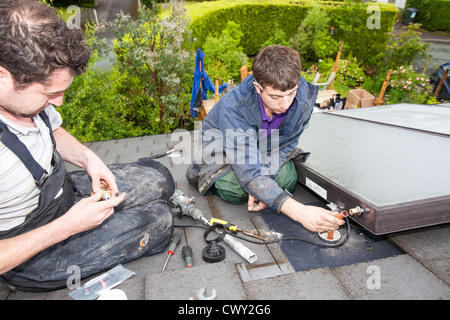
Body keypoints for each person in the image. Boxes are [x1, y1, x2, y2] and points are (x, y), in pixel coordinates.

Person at [0, 0, 173, 292]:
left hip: (65, 196)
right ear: (2, 75)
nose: (59, 102)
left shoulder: (22, 98)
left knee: (161, 178)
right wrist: (67, 227)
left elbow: (51, 128)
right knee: (160, 219)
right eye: (50, 93)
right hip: (32, 250)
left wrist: (89, 159)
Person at [186, 45, 344, 233]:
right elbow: (248, 168)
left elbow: (288, 143)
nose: (285, 104)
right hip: (223, 152)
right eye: (276, 96)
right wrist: (300, 213)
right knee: (235, 188)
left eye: (291, 93)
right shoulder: (234, 107)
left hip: (263, 150)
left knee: (287, 178)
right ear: (257, 88)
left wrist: (263, 182)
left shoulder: (302, 98)